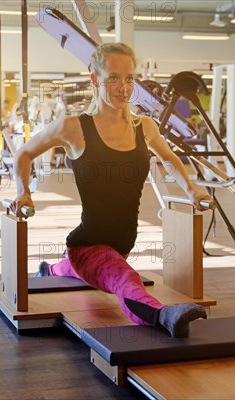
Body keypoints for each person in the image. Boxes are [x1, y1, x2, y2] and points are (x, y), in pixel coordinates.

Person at [12, 43, 211, 338]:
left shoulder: (144, 127)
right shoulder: (73, 127)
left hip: (122, 246)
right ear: (95, 79)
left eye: (129, 78)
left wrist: (192, 190)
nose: (123, 87)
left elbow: (169, 158)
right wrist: (23, 191)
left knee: (101, 266)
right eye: (114, 78)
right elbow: (24, 153)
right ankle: (161, 316)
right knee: (123, 277)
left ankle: (50, 271)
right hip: (87, 244)